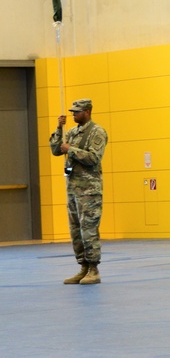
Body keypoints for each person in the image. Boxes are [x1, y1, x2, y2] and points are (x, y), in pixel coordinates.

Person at [50, 98, 108, 285]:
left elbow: (93, 158)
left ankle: (93, 269)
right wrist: (59, 129)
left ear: (88, 112)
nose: (74, 114)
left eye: (77, 111)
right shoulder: (72, 132)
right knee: (75, 230)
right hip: (73, 189)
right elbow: (56, 150)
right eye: (73, 111)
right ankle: (83, 266)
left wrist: (71, 150)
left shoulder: (97, 132)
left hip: (89, 190)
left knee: (88, 229)